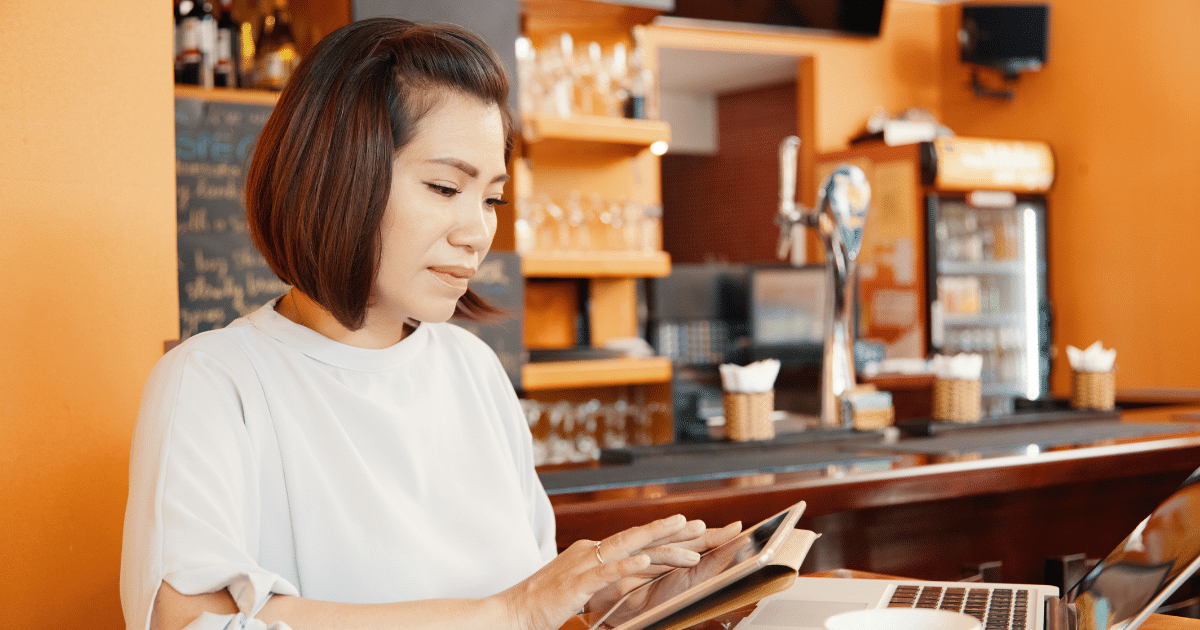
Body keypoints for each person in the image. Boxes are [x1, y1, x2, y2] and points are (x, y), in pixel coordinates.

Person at [120, 17, 740, 630]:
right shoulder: (212, 383)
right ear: (339, 175)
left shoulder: (473, 370)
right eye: (445, 187)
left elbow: (520, 595)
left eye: (491, 198)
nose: (477, 233)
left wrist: (608, 600)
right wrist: (514, 611)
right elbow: (187, 622)